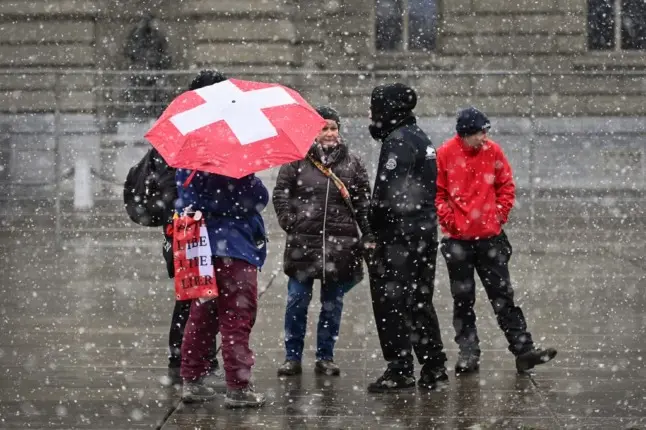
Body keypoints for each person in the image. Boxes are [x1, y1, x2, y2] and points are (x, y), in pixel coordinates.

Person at [435, 106, 557, 375]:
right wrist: (451, 221)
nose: (484, 137)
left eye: (485, 132)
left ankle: (523, 351)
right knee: (463, 300)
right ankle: (468, 353)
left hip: (489, 238)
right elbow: (438, 193)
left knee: (503, 297)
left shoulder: (493, 151)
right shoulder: (445, 154)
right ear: (465, 133)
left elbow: (506, 186)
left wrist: (498, 215)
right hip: (458, 241)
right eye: (480, 132)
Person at [175, 71, 269, 408]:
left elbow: (185, 199)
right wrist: (252, 181)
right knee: (236, 318)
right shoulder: (231, 146)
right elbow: (257, 198)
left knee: (202, 316)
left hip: (201, 248)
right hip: (235, 247)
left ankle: (192, 379)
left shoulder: (188, 150)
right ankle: (238, 388)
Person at [273, 106, 374, 377]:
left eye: (333, 128)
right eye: (324, 128)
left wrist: (368, 233)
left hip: (340, 247)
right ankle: (292, 357)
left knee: (332, 305)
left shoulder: (353, 163)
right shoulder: (296, 161)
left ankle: (325, 357)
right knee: (297, 302)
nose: (329, 133)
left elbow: (363, 203)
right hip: (303, 245)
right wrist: (289, 221)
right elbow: (281, 193)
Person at [366, 83, 447, 392]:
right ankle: (434, 365)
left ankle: (400, 368)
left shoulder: (398, 141)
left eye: (374, 107)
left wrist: (372, 227)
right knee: (419, 300)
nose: (371, 114)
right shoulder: (419, 137)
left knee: (392, 303)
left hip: (400, 236)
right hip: (423, 232)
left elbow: (386, 194)